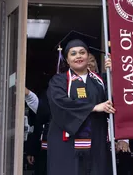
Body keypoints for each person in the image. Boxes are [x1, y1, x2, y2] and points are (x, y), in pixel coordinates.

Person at [46, 38, 117, 175]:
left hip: (96, 141)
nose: (78, 56)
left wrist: (113, 74)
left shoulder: (101, 80)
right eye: (73, 54)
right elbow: (60, 103)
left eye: (82, 52)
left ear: (87, 56)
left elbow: (114, 99)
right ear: (67, 60)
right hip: (66, 144)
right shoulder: (59, 81)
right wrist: (94, 107)